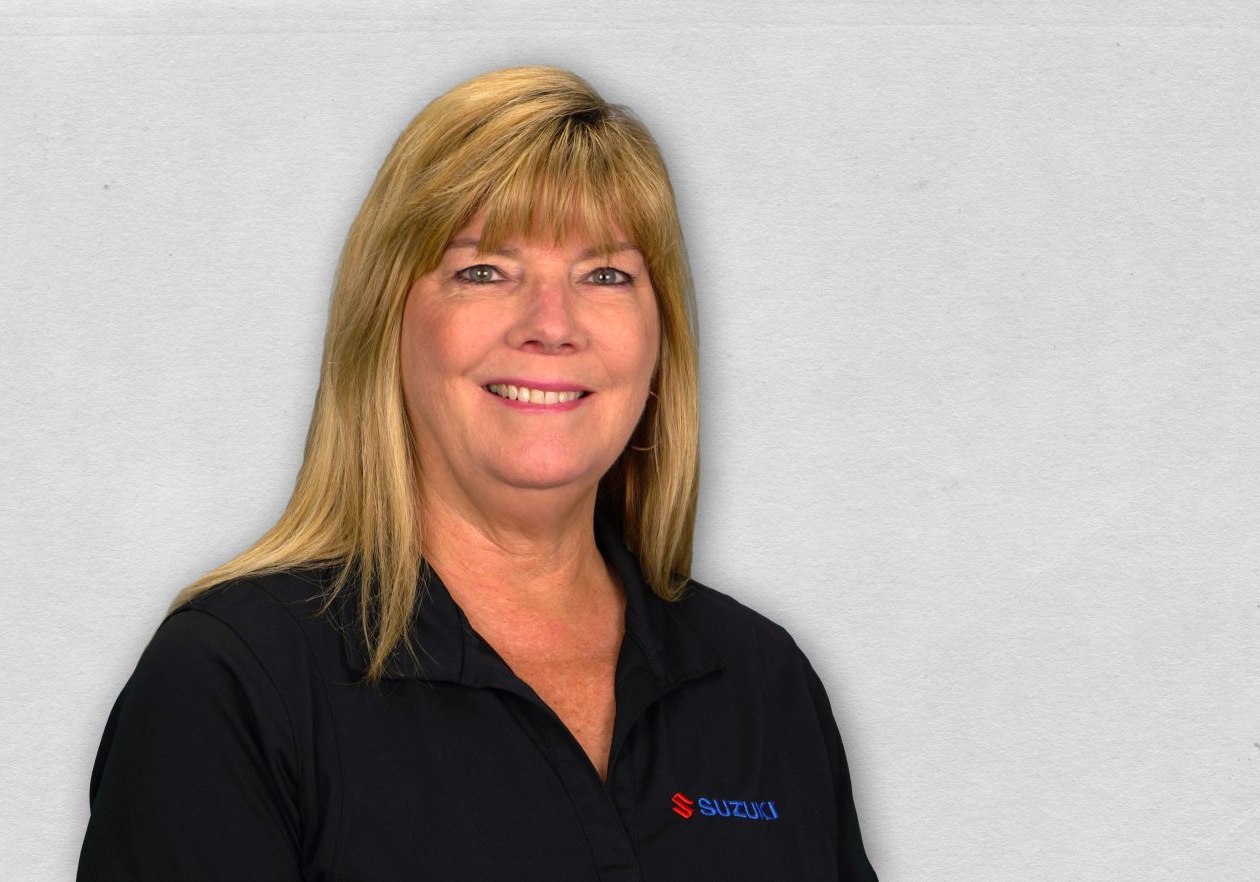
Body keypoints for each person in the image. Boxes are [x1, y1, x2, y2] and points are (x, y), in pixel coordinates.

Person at [77, 65, 877, 881]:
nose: (552, 326)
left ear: (660, 339)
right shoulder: (233, 681)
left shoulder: (761, 682)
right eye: (484, 271)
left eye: (606, 274)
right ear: (385, 321)